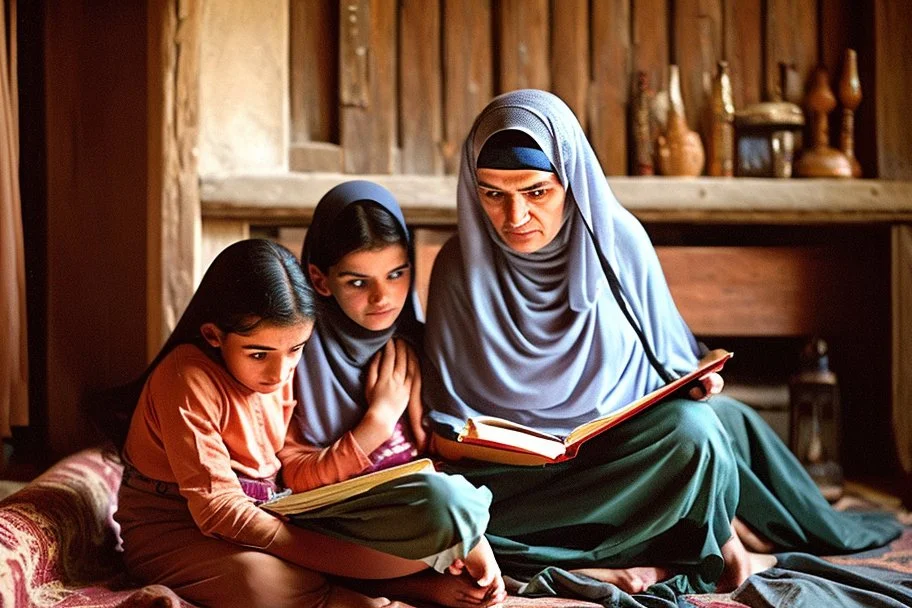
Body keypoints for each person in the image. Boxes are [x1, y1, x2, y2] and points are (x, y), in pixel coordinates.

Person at [421, 89, 902, 600]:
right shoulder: (459, 267)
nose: (514, 216)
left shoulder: (618, 239)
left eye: (537, 192)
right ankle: (671, 547)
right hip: (524, 487)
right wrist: (532, 453)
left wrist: (699, 384)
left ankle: (684, 539)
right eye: (493, 194)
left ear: (572, 180)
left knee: (703, 430)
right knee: (437, 515)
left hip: (621, 462)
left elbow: (671, 366)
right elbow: (444, 431)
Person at [111, 238, 498, 608]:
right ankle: (379, 587)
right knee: (259, 584)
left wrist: (465, 534)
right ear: (215, 335)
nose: (280, 372)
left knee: (446, 503)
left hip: (273, 514)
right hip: (177, 528)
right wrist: (327, 553)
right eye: (259, 354)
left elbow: (294, 474)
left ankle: (351, 579)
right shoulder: (186, 376)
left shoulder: (280, 368)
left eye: (295, 349)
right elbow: (218, 511)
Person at [279, 180, 505, 608]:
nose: (384, 298)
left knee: (481, 495)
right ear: (320, 281)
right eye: (357, 282)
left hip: (421, 512)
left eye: (397, 274)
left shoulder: (417, 341)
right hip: (341, 524)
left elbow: (432, 452)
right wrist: (376, 424)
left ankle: (455, 549)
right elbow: (293, 481)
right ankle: (413, 577)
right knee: (449, 504)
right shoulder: (293, 353)